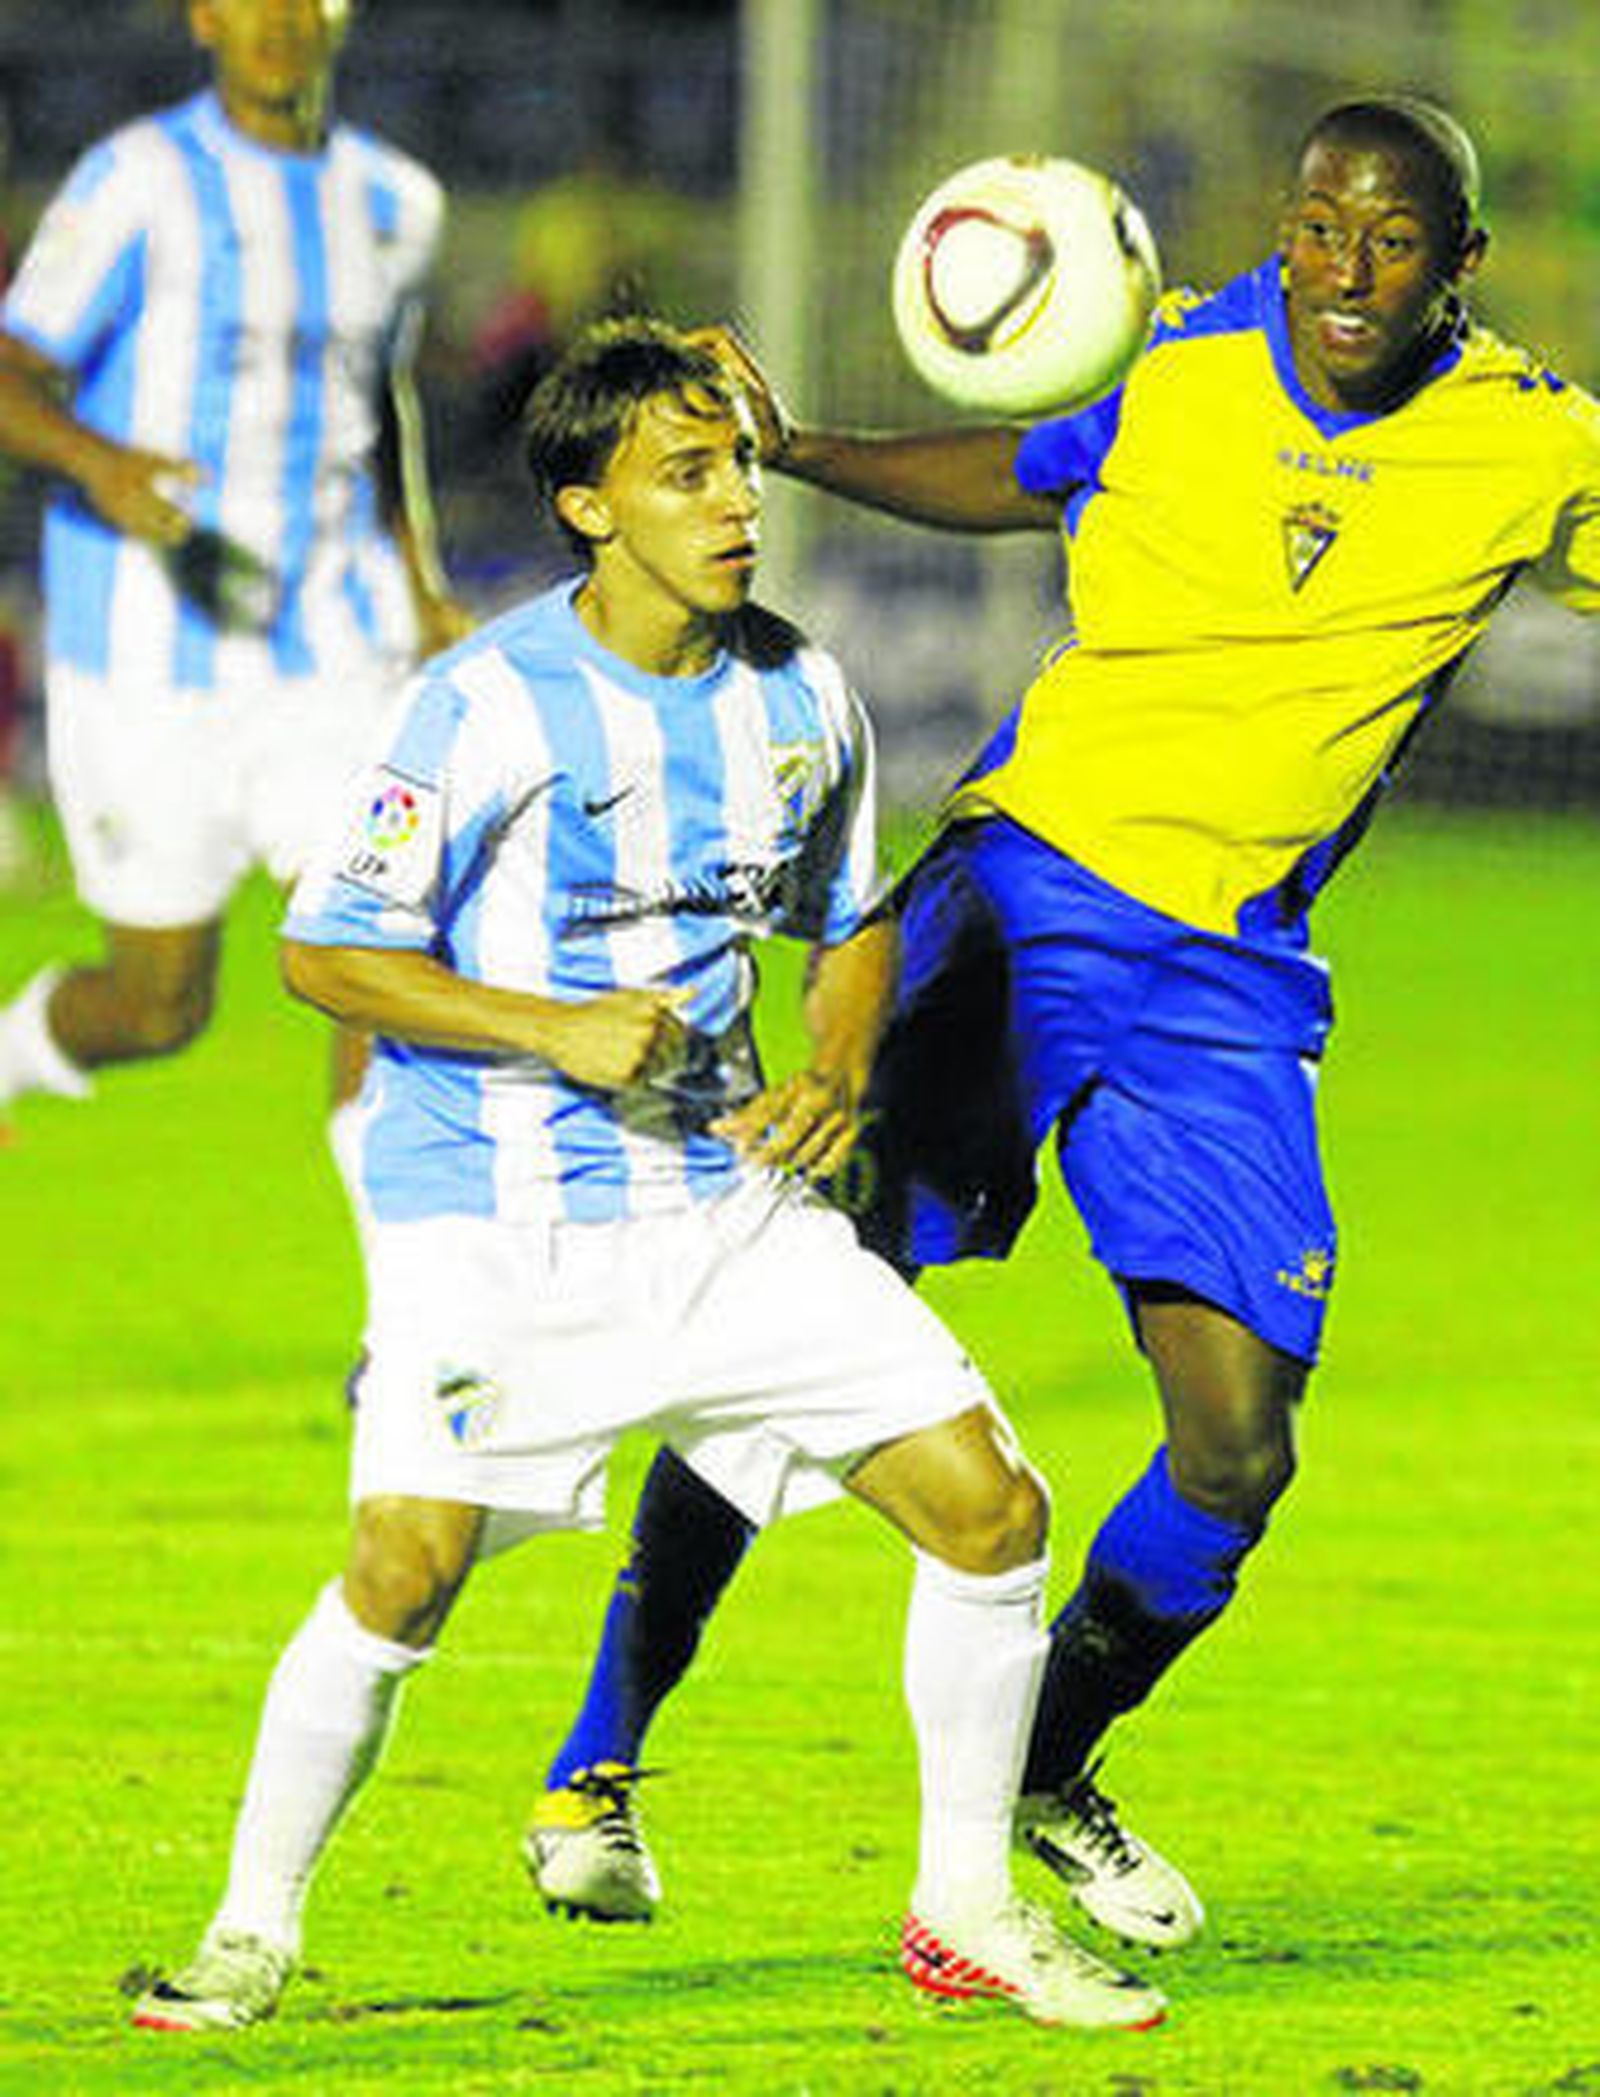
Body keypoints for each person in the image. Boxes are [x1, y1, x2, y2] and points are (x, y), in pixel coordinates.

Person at [523, 95, 1600, 1951]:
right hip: (1018, 898)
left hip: (1229, 979)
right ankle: (597, 1761)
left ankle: (1039, 1766)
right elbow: (1024, 471)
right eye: (1319, 227)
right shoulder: (1177, 351)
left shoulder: (1537, 445)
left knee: (1238, 1450)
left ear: (1462, 264)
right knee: (813, 1308)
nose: (1344, 272)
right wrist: (800, 445)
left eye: (1392, 240)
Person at [129, 319, 1168, 2037]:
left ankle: (969, 1904)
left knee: (993, 1509)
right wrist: (547, 1026)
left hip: (721, 1201)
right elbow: (329, 951)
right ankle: (249, 1930)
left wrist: (836, 1065)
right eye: (687, 475)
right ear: (588, 507)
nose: (735, 502)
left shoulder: (800, 692)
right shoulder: (484, 703)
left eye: (738, 466)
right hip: (495, 1213)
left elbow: (852, 921)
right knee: (404, 1567)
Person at [0, 0, 466, 1194]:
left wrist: (420, 587)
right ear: (204, 16)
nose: (278, 20)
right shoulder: (137, 183)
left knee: (392, 942)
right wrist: (101, 464)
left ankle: (411, 1332)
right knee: (160, 1004)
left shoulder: (395, 205)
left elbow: (383, 400)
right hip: (148, 655)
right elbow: (12, 369)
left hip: (335, 653)